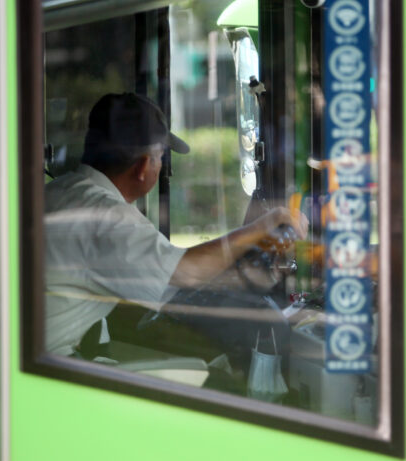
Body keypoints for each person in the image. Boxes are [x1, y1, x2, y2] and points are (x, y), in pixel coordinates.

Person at [44, 92, 306, 357]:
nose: (160, 167)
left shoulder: (60, 191)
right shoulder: (106, 217)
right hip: (48, 367)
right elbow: (186, 272)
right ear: (145, 166)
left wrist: (253, 273)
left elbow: (167, 274)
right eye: (160, 157)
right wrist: (263, 226)